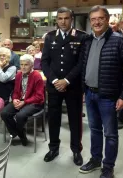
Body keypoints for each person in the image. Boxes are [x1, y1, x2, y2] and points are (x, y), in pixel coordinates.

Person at [79, 6, 123, 178]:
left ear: (107, 19)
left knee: (110, 133)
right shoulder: (87, 41)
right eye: (93, 19)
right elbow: (84, 66)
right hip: (90, 94)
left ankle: (108, 167)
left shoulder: (120, 40)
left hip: (109, 96)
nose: (97, 22)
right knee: (94, 129)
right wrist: (84, 89)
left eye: (100, 18)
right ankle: (95, 159)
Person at [42, 7, 87, 166]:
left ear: (71, 19)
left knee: (75, 119)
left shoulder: (81, 37)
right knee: (53, 118)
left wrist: (66, 80)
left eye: (66, 18)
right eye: (60, 18)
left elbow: (82, 63)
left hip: (73, 86)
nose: (63, 21)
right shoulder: (49, 37)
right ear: (56, 20)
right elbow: (45, 62)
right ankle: (53, 148)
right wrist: (55, 80)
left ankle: (76, 150)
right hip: (54, 86)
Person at [1, 54, 44, 146]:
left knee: (20, 116)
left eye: (26, 65)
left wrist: (25, 102)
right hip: (21, 100)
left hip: (34, 102)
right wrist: (15, 99)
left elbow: (39, 96)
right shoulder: (19, 74)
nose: (23, 67)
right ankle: (19, 133)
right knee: (4, 113)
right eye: (21, 64)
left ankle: (21, 136)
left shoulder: (37, 76)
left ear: (32, 65)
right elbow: (16, 91)